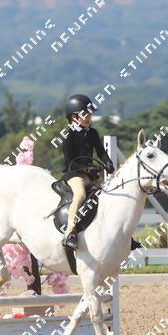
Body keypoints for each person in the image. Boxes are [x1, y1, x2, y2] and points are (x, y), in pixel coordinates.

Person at [61, 94, 114, 249]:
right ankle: (70, 232)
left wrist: (108, 162)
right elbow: (70, 162)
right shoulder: (68, 135)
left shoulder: (93, 133)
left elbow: (101, 152)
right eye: (85, 114)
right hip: (75, 175)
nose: (89, 118)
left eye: (90, 114)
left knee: (107, 196)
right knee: (80, 195)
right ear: (74, 117)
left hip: (90, 175)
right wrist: (87, 169)